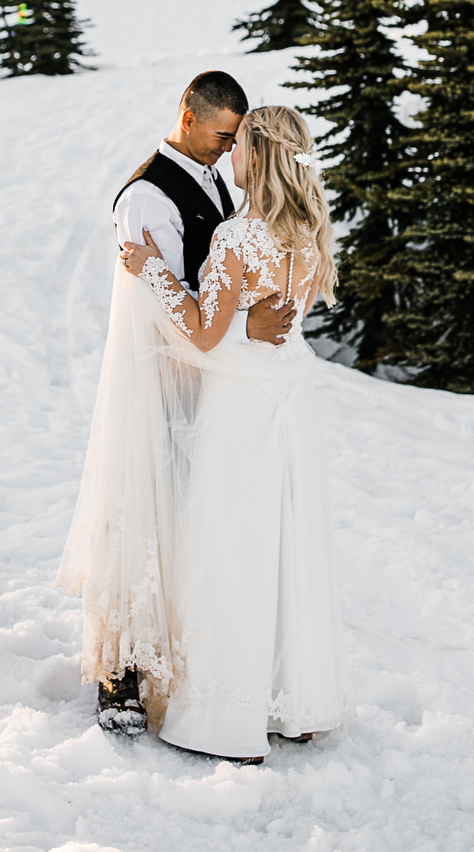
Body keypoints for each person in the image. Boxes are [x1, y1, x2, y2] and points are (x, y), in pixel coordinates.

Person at [116, 104, 353, 761]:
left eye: (241, 145)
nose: (231, 156)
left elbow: (199, 332)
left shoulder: (236, 237)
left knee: (230, 546)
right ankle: (296, 706)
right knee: (287, 544)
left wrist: (151, 268)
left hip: (241, 407)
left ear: (260, 157)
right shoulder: (308, 235)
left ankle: (227, 718)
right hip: (290, 397)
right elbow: (275, 323)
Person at [78, 69, 294, 737]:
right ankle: (121, 673)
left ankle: (181, 657)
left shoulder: (212, 175)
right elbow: (162, 310)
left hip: (207, 378)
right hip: (158, 380)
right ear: (188, 114)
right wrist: (243, 331)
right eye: (221, 136)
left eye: (236, 142)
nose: (229, 152)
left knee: (183, 528)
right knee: (140, 517)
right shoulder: (147, 196)